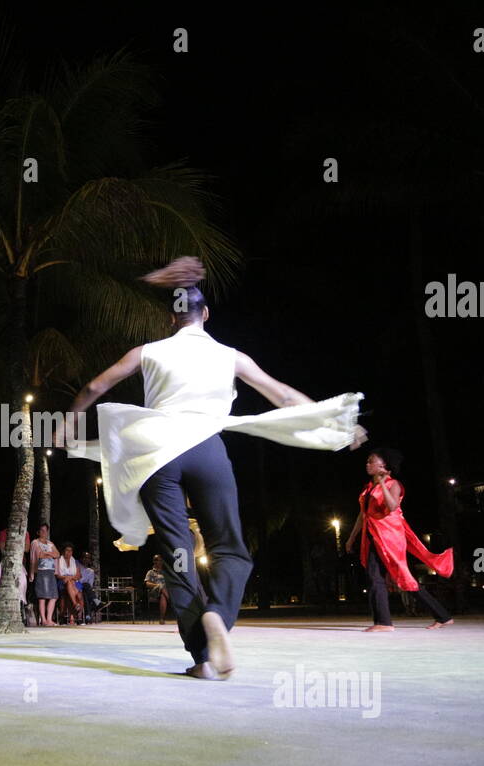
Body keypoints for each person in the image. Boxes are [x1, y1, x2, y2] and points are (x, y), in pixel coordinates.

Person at [62, 256, 366, 679]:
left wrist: (67, 423)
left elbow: (96, 386)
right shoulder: (230, 355)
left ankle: (202, 659)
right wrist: (336, 423)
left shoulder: (148, 351)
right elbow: (281, 395)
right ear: (204, 314)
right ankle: (218, 618)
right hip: (206, 451)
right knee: (229, 549)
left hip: (156, 455)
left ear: (172, 318)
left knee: (178, 556)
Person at [344, 448, 454, 631]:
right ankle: (441, 616)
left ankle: (384, 622)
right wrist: (351, 537)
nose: (367, 464)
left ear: (384, 465)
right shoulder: (368, 488)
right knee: (375, 576)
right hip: (372, 535)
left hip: (390, 536)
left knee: (401, 577)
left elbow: (393, 506)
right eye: (367, 461)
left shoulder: (393, 484)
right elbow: (363, 515)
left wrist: (382, 484)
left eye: (371, 461)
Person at [30, 525, 60, 626]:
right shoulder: (35, 542)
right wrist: (51, 553)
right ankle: (43, 620)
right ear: (38, 532)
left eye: (46, 531)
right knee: (42, 596)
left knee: (54, 596)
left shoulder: (50, 543)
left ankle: (49, 619)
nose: (44, 532)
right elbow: (40, 554)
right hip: (41, 571)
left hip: (51, 571)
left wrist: (48, 553)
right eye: (42, 530)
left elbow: (57, 554)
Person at [56, 543, 84, 625]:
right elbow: (57, 574)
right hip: (62, 581)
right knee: (72, 588)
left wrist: (70, 577)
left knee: (79, 594)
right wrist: (66, 578)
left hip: (74, 581)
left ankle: (77, 615)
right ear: (63, 551)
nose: (69, 552)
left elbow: (79, 575)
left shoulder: (75, 561)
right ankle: (76, 613)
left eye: (71, 551)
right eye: (67, 550)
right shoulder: (58, 560)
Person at [144, 555, 169, 624]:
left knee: (163, 596)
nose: (158, 561)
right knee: (162, 587)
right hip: (154, 592)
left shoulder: (166, 572)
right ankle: (171, 601)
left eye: (160, 560)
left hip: (164, 592)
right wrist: (158, 586)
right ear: (153, 561)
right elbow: (147, 584)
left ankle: (161, 619)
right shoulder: (150, 572)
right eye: (156, 560)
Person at [78, 552, 98, 623]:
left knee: (86, 595)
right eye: (84, 557)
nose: (86, 559)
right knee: (86, 586)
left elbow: (90, 584)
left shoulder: (91, 571)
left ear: (90, 560)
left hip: (85, 589)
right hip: (76, 587)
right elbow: (77, 579)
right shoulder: (77, 566)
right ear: (81, 558)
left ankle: (87, 617)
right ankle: (96, 602)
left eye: (88, 558)